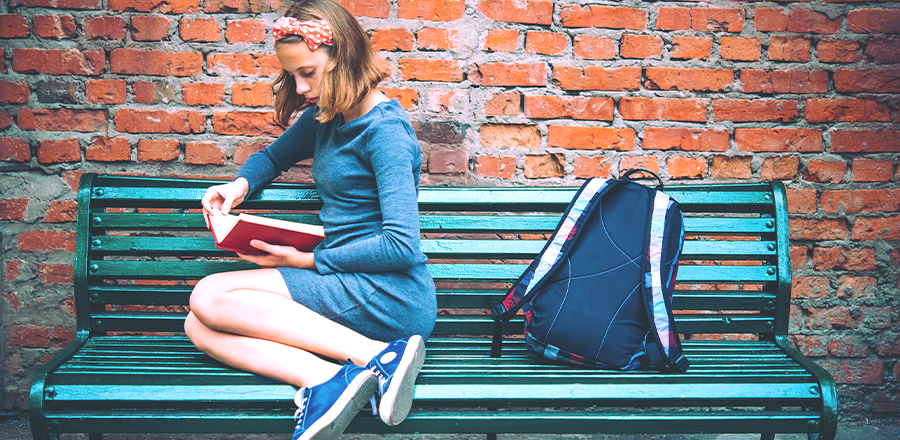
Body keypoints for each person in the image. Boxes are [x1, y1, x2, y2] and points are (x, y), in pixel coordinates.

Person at [184, 1, 437, 438]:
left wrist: (307, 261)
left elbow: (402, 245)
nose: (300, 88)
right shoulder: (327, 117)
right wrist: (238, 187)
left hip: (390, 293)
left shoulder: (386, 133)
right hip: (346, 280)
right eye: (292, 75)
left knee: (208, 294)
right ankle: (325, 380)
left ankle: (378, 355)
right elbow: (274, 156)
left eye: (308, 73)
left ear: (343, 58)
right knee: (197, 325)